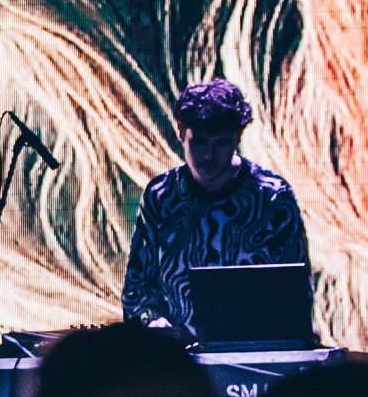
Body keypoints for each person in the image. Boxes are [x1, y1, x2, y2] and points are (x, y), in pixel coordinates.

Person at [122, 78, 310, 333]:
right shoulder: (161, 195)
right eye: (199, 141)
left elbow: (296, 292)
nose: (208, 156)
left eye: (221, 143)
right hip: (178, 353)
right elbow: (137, 289)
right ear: (181, 131)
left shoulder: (273, 198)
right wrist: (153, 321)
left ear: (238, 138)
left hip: (255, 349)